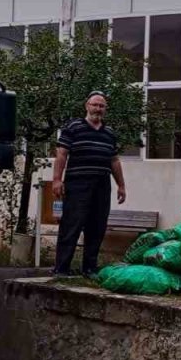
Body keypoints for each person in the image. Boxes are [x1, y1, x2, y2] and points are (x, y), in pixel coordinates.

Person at [52, 91, 127, 277]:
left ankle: (90, 268)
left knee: (97, 226)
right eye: (95, 105)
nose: (98, 109)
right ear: (87, 105)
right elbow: (61, 154)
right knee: (72, 225)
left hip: (101, 184)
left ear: (105, 109)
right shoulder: (73, 127)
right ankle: (61, 268)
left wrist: (121, 185)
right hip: (77, 183)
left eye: (101, 106)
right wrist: (57, 179)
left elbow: (114, 160)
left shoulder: (109, 133)